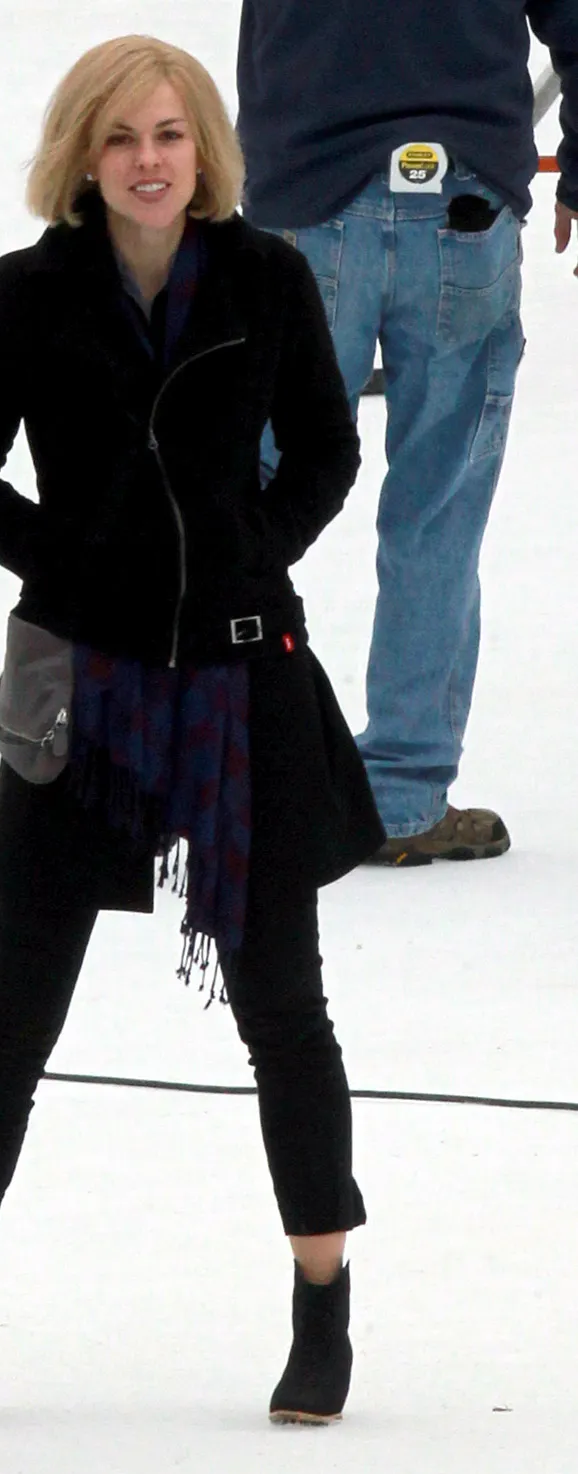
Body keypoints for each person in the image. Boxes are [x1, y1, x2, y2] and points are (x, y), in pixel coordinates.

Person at [0, 36, 384, 1430]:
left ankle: (322, 1310)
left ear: (203, 147)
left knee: (285, 1012)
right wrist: (72, 567)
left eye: (168, 134)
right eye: (119, 138)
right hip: (82, 688)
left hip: (242, 680)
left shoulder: (266, 277)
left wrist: (244, 557)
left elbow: (328, 451)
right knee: (10, 1009)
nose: (147, 160)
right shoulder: (27, 290)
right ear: (82, 155)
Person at [237, 0, 578, 865]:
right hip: (465, 200)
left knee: (242, 499)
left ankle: (213, 757)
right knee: (440, 512)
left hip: (307, 196)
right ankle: (402, 793)